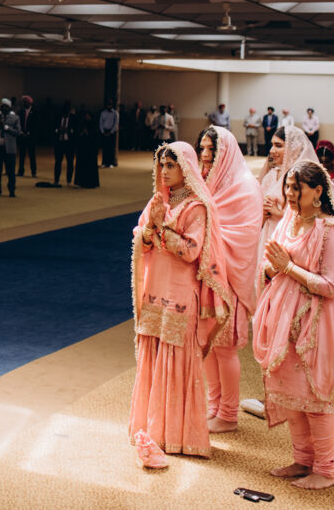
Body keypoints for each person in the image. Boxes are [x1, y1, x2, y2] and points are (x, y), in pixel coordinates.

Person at [252, 161, 334, 490]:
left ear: (318, 191)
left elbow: (331, 286)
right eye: (288, 187)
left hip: (315, 326)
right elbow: (270, 266)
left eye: (296, 188)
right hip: (283, 322)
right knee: (291, 396)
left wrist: (287, 268)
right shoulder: (290, 220)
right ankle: (302, 459)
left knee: (314, 400)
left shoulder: (332, 231)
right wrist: (272, 269)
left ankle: (326, 469)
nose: (290, 193)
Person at [129, 142, 234, 465]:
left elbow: (191, 251)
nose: (164, 171)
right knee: (153, 354)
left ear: (186, 168)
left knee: (176, 358)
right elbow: (141, 237)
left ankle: (177, 435)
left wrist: (161, 228)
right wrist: (149, 229)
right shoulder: (157, 201)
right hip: (155, 290)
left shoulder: (196, 208)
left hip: (180, 295)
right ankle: (152, 430)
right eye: (161, 165)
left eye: (171, 165)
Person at [196, 126, 262, 434]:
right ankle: (214, 406)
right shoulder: (205, 179)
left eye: (212, 149)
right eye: (202, 148)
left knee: (225, 348)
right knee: (207, 344)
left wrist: (205, 237)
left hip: (230, 278)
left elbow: (245, 236)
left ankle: (229, 414)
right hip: (205, 276)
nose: (206, 155)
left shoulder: (245, 185)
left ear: (226, 151)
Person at [258, 125, 315, 255]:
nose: (272, 150)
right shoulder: (271, 176)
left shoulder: (307, 179)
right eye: (272, 145)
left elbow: (314, 218)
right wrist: (262, 214)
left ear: (294, 148)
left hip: (293, 240)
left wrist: (279, 213)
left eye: (278, 146)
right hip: (267, 236)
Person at [0, 98, 20, 196]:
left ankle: (12, 190)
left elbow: (17, 132)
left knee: (10, 171)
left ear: (9, 108)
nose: (4, 108)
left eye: (6, 107)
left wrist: (6, 127)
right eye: (2, 107)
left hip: (9, 149)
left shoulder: (15, 118)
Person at [74, 109, 100, 189]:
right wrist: (82, 133)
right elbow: (77, 134)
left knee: (90, 166)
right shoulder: (82, 124)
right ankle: (81, 182)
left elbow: (96, 137)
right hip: (83, 149)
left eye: (88, 116)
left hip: (91, 149)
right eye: (86, 116)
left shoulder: (94, 125)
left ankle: (90, 183)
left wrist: (88, 133)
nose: (87, 117)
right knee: (82, 165)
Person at [53, 102, 76, 186]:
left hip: (69, 143)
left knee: (70, 162)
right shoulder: (57, 117)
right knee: (58, 162)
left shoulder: (73, 118)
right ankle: (56, 180)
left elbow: (75, 130)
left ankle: (69, 180)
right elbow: (53, 128)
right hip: (59, 142)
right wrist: (58, 130)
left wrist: (68, 130)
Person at [16, 95, 37, 178]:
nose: (24, 104)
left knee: (32, 155)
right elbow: (18, 122)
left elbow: (36, 124)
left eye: (25, 102)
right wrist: (21, 131)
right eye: (23, 102)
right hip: (22, 136)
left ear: (29, 103)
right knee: (22, 155)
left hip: (31, 137)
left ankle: (33, 172)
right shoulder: (21, 112)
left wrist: (30, 132)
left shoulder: (35, 111)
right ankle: (21, 171)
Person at [98, 101, 119, 168]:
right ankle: (104, 162)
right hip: (104, 131)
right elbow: (100, 123)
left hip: (111, 132)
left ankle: (111, 163)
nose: (109, 106)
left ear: (112, 105)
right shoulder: (103, 113)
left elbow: (116, 124)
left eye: (110, 105)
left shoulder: (115, 113)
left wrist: (111, 132)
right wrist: (102, 132)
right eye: (108, 105)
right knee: (105, 148)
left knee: (111, 148)